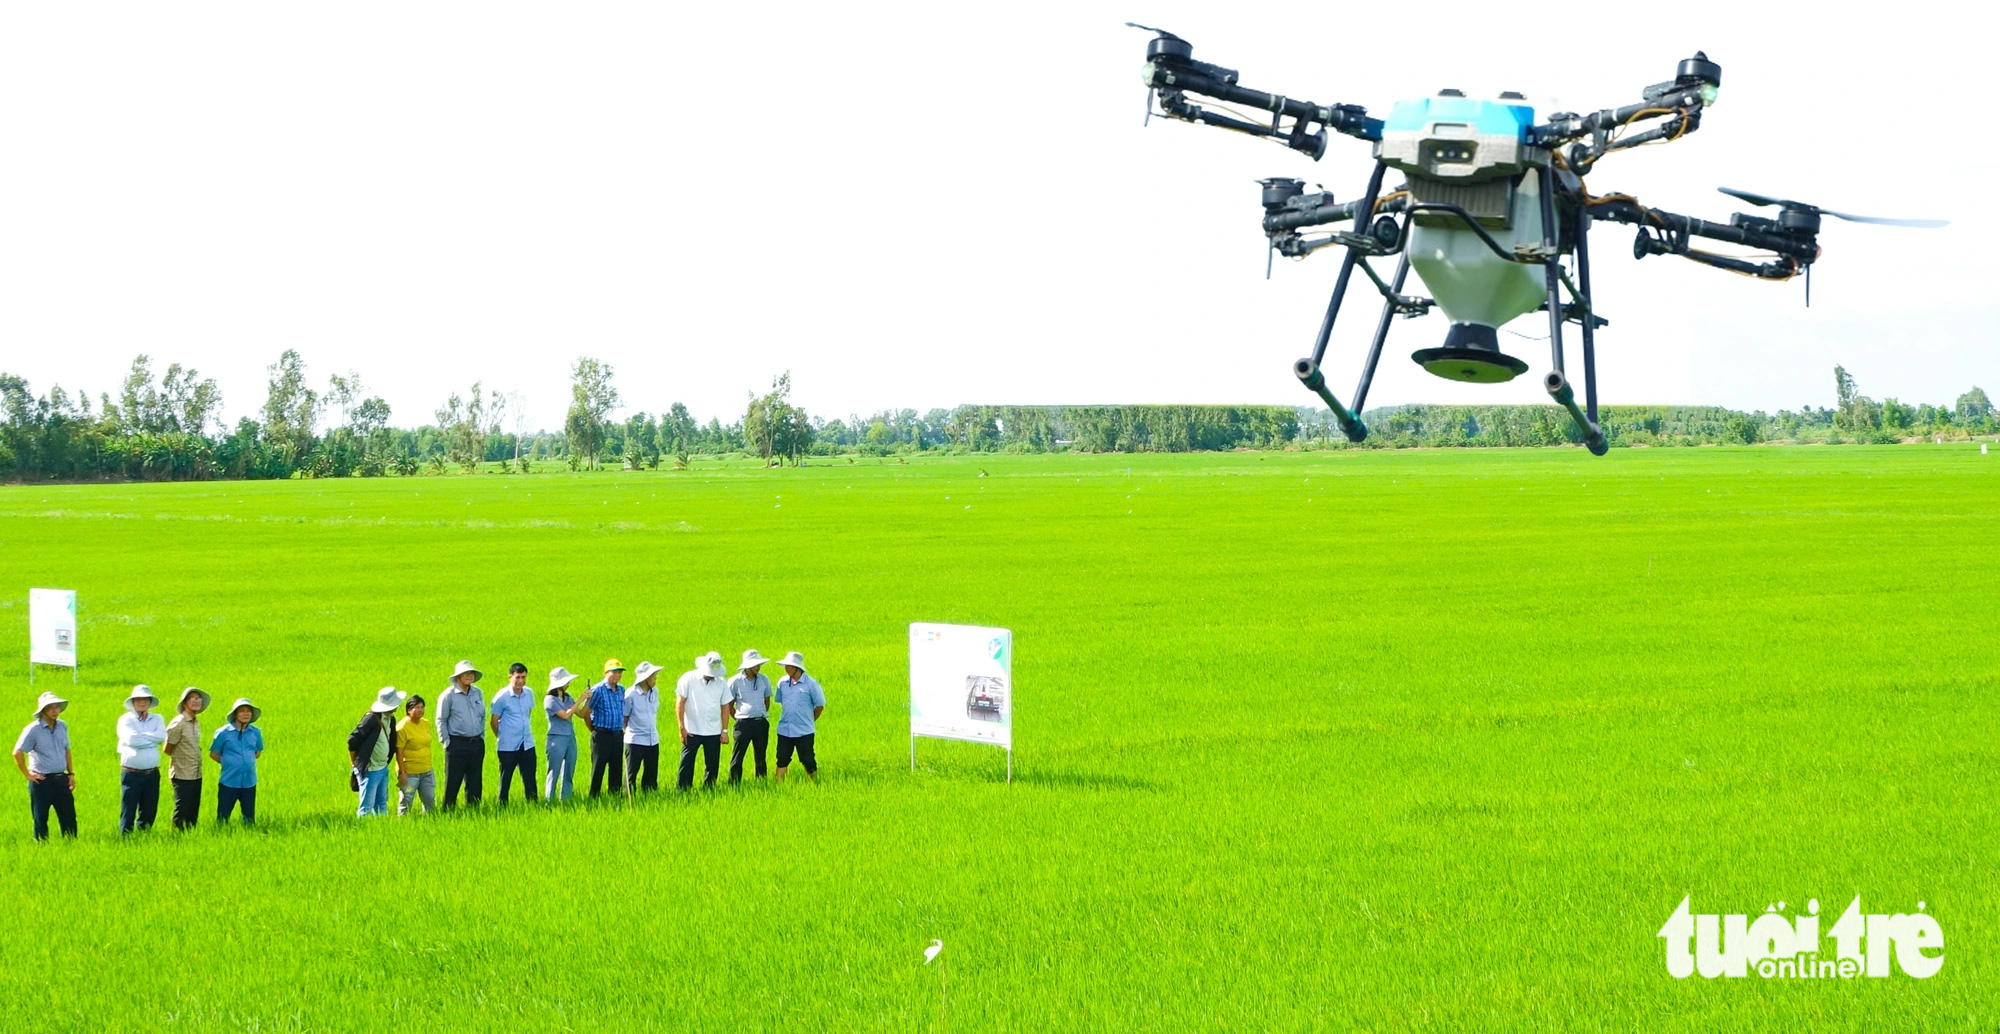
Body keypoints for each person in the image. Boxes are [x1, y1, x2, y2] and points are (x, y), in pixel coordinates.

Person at [13, 692, 76, 840]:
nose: (55, 711)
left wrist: (71, 773)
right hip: (41, 781)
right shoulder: (33, 730)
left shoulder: (62, 726)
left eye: (57, 707)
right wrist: (28, 775)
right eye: (51, 707)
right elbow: (17, 752)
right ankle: (42, 848)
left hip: (61, 779)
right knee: (41, 818)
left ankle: (71, 846)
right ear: (43, 710)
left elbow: (66, 750)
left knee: (69, 817)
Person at [434, 659, 487, 809]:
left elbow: (482, 716)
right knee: (453, 781)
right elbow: (441, 720)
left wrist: (481, 737)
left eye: (471, 673)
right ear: (458, 676)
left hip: (476, 743)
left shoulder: (478, 693)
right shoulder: (448, 695)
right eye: (465, 673)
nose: (469, 676)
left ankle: (474, 811)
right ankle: (448, 811)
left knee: (475, 781)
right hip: (456, 744)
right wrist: (446, 742)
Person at [115, 685, 168, 834]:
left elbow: (162, 737)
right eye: (138, 699)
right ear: (133, 702)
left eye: (145, 699)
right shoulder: (126, 719)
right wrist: (151, 739)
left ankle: (144, 836)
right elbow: (132, 739)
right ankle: (125, 838)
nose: (142, 702)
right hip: (132, 773)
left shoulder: (157, 718)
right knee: (128, 808)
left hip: (152, 773)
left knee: (149, 808)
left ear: (150, 701)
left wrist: (142, 736)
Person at [676, 652, 730, 791]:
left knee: (712, 764)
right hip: (691, 729)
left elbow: (725, 707)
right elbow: (680, 703)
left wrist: (724, 730)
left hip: (713, 730)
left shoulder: (721, 682)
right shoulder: (688, 678)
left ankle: (709, 789)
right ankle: (683, 789)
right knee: (687, 762)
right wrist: (682, 727)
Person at [348, 686, 404, 817]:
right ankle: (362, 832)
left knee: (382, 803)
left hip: (383, 768)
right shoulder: (371, 719)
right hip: (370, 770)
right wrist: (355, 764)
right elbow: (352, 740)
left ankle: (381, 828)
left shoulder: (391, 719)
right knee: (366, 808)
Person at [773, 652, 827, 782]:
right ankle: (778, 786)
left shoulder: (811, 684)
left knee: (808, 760)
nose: (787, 668)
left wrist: (809, 720)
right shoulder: (782, 683)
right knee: (782, 760)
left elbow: (819, 706)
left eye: (790, 666)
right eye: (786, 666)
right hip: (785, 730)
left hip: (804, 731)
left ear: (798, 667)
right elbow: (781, 701)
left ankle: (815, 784)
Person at [208, 698, 263, 825]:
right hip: (229, 781)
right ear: (235, 714)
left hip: (249, 781)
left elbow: (258, 752)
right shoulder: (223, 733)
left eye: (248, 711)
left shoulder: (255, 732)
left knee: (249, 818)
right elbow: (214, 753)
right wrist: (229, 763)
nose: (245, 714)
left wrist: (245, 762)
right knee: (223, 817)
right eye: (242, 711)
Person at [489, 663, 539, 804]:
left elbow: (528, 713)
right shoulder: (502, 697)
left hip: (527, 742)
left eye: (523, 677)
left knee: (530, 777)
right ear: (510, 677)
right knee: (506, 778)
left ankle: (533, 805)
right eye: (517, 677)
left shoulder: (529, 693)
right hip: (508, 745)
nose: (521, 681)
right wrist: (501, 736)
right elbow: (493, 721)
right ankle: (502, 805)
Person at [725, 649, 776, 784]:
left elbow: (766, 700)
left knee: (761, 756)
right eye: (755, 665)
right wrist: (737, 718)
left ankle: (761, 783)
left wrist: (760, 713)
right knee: (738, 756)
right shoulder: (734, 681)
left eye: (759, 664)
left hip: (761, 723)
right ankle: (733, 784)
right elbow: (729, 704)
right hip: (743, 724)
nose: (758, 667)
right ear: (747, 666)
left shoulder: (764, 679)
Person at [162, 687, 210, 830]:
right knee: (182, 808)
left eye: (198, 698)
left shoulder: (195, 722)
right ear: (184, 703)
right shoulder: (179, 723)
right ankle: (176, 838)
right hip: (182, 773)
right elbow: (167, 748)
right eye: (192, 698)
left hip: (196, 772)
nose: (196, 701)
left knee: (193, 808)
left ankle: (190, 836)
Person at [579, 660, 627, 797]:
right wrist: (594, 730)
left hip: (617, 734)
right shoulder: (597, 690)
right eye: (614, 672)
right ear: (606, 673)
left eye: (620, 672)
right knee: (598, 768)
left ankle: (615, 795)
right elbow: (586, 713)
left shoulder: (621, 690)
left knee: (616, 768)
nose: (617, 675)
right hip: (602, 734)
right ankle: (594, 796)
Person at [623, 661, 666, 793]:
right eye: (653, 677)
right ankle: (628, 796)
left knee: (651, 774)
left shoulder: (655, 692)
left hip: (652, 739)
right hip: (635, 740)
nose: (655, 680)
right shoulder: (630, 694)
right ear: (645, 679)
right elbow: (624, 718)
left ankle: (650, 796)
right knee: (631, 774)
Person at [542, 667, 581, 802]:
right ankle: (549, 800)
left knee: (569, 768)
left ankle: (566, 798)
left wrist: (588, 700)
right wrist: (581, 699)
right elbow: (565, 715)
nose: (568, 684)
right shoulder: (550, 700)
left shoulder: (568, 697)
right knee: (554, 770)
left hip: (570, 736)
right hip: (556, 737)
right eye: (566, 681)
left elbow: (580, 713)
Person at [396, 695, 436, 815]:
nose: (420, 710)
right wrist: (402, 773)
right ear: (409, 710)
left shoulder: (425, 723)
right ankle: (402, 822)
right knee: (407, 799)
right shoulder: (402, 727)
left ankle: (430, 823)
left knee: (429, 799)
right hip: (410, 775)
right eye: (416, 707)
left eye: (422, 707)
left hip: (427, 771)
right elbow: (399, 751)